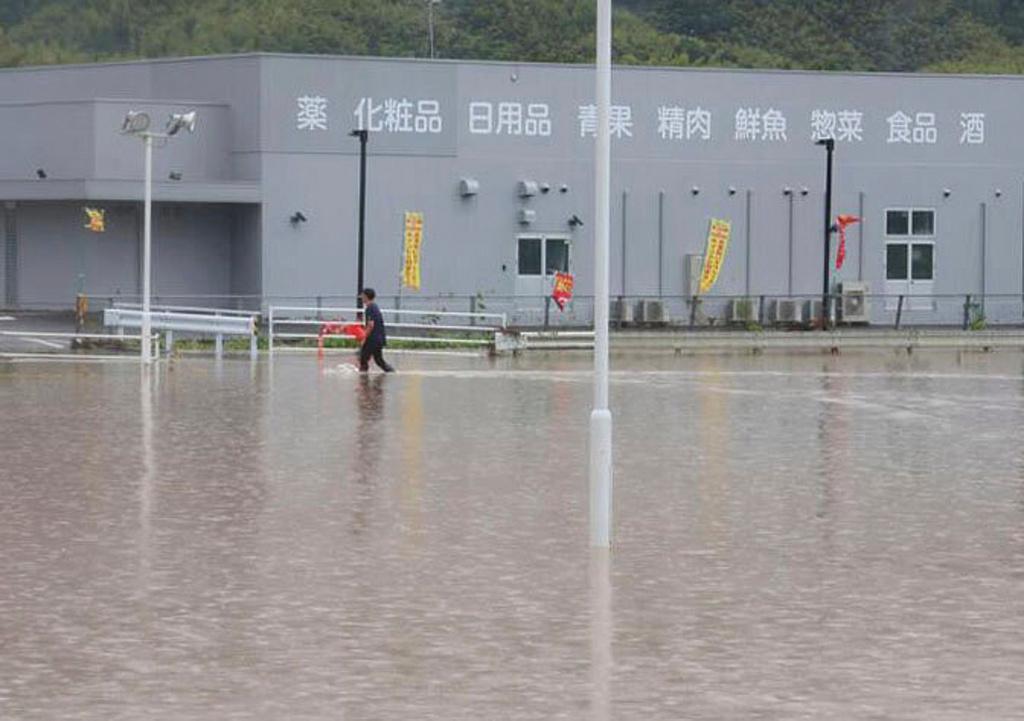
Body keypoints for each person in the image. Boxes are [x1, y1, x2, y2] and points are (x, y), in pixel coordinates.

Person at [358, 288, 395, 373]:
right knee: (378, 360)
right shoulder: (374, 307)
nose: (361, 298)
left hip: (373, 338)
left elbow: (371, 324)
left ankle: (363, 376)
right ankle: (391, 372)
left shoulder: (370, 308)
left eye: (362, 296)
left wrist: (364, 337)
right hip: (378, 337)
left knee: (363, 358)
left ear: (366, 296)